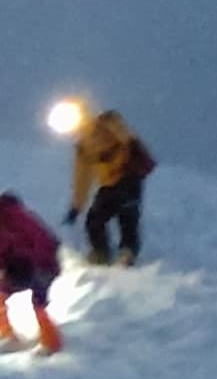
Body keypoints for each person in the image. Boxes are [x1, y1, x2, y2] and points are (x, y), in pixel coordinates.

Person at [0, 185, 64, 352]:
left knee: (37, 300)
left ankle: (51, 341)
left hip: (42, 263)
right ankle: (7, 337)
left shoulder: (14, 215)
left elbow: (41, 238)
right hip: (16, 268)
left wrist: (43, 265)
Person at [66, 106, 155, 266]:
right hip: (110, 184)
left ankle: (126, 253)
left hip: (128, 176)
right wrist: (76, 207)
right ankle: (102, 253)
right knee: (94, 220)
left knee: (127, 216)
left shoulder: (105, 121)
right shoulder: (82, 149)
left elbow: (123, 132)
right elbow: (82, 179)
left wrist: (130, 144)